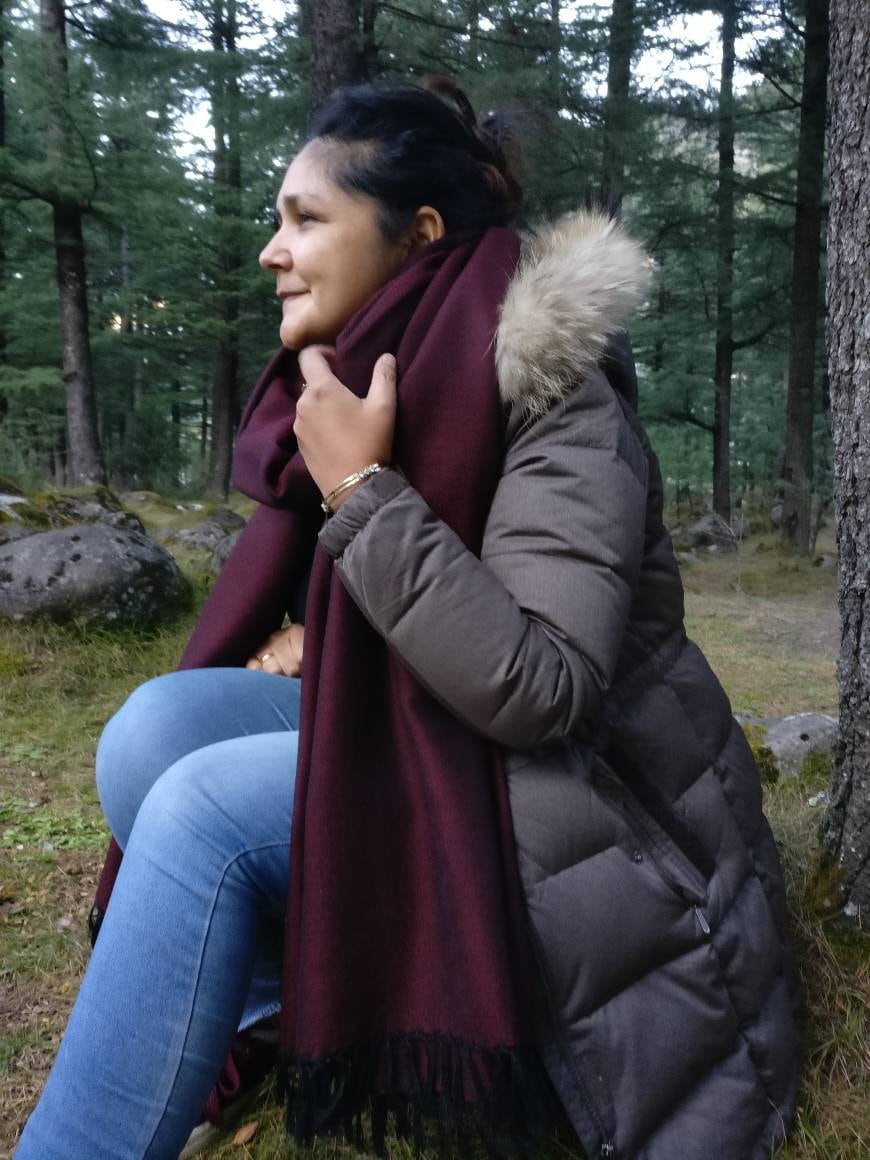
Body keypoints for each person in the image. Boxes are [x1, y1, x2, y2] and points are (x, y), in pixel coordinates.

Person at [15, 79, 799, 1160]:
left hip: (588, 820)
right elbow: (406, 593)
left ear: (418, 235)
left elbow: (545, 686)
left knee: (202, 811)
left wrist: (362, 494)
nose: (272, 252)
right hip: (453, 746)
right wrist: (329, 625)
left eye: (305, 219)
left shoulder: (551, 386)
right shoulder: (363, 374)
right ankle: (281, 1003)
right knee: (153, 730)